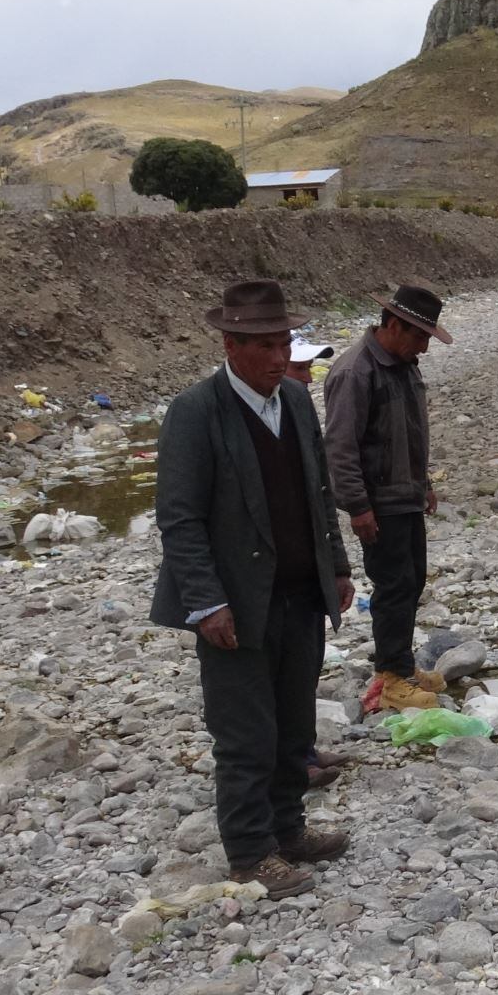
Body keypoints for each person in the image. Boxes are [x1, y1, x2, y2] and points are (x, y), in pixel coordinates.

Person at [151, 280, 355, 898]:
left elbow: (320, 493)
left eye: (283, 342)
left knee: (294, 724)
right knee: (245, 732)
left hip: (298, 593)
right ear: (230, 345)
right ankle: (248, 851)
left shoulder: (294, 402)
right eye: (263, 345)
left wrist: (338, 567)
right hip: (235, 604)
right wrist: (205, 602)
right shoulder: (195, 413)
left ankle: (287, 829)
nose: (277, 356)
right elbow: (179, 517)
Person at [323, 284, 453, 714]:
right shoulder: (354, 373)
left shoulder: (405, 365)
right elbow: (340, 449)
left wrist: (424, 483)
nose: (424, 348)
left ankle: (398, 666)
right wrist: (358, 507)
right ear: (393, 326)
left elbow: (411, 434)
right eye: (418, 336)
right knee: (393, 586)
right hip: (379, 505)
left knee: (411, 581)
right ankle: (394, 679)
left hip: (406, 497)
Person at [282, 339, 352, 789]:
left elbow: (322, 497)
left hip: (307, 566)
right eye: (301, 367)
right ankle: (290, 762)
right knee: (284, 671)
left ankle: (301, 750)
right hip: (276, 574)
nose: (310, 378)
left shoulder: (297, 411)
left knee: (306, 662)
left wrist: (338, 565)